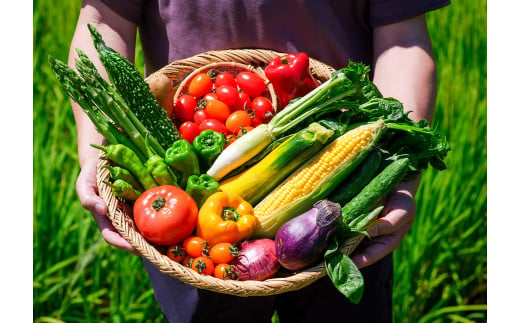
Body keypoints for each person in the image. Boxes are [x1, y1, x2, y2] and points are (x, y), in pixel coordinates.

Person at [69, 0, 450, 322]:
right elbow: (103, 19)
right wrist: (94, 151)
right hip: (184, 226)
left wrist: (397, 177)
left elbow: (402, 39)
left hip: (345, 183)